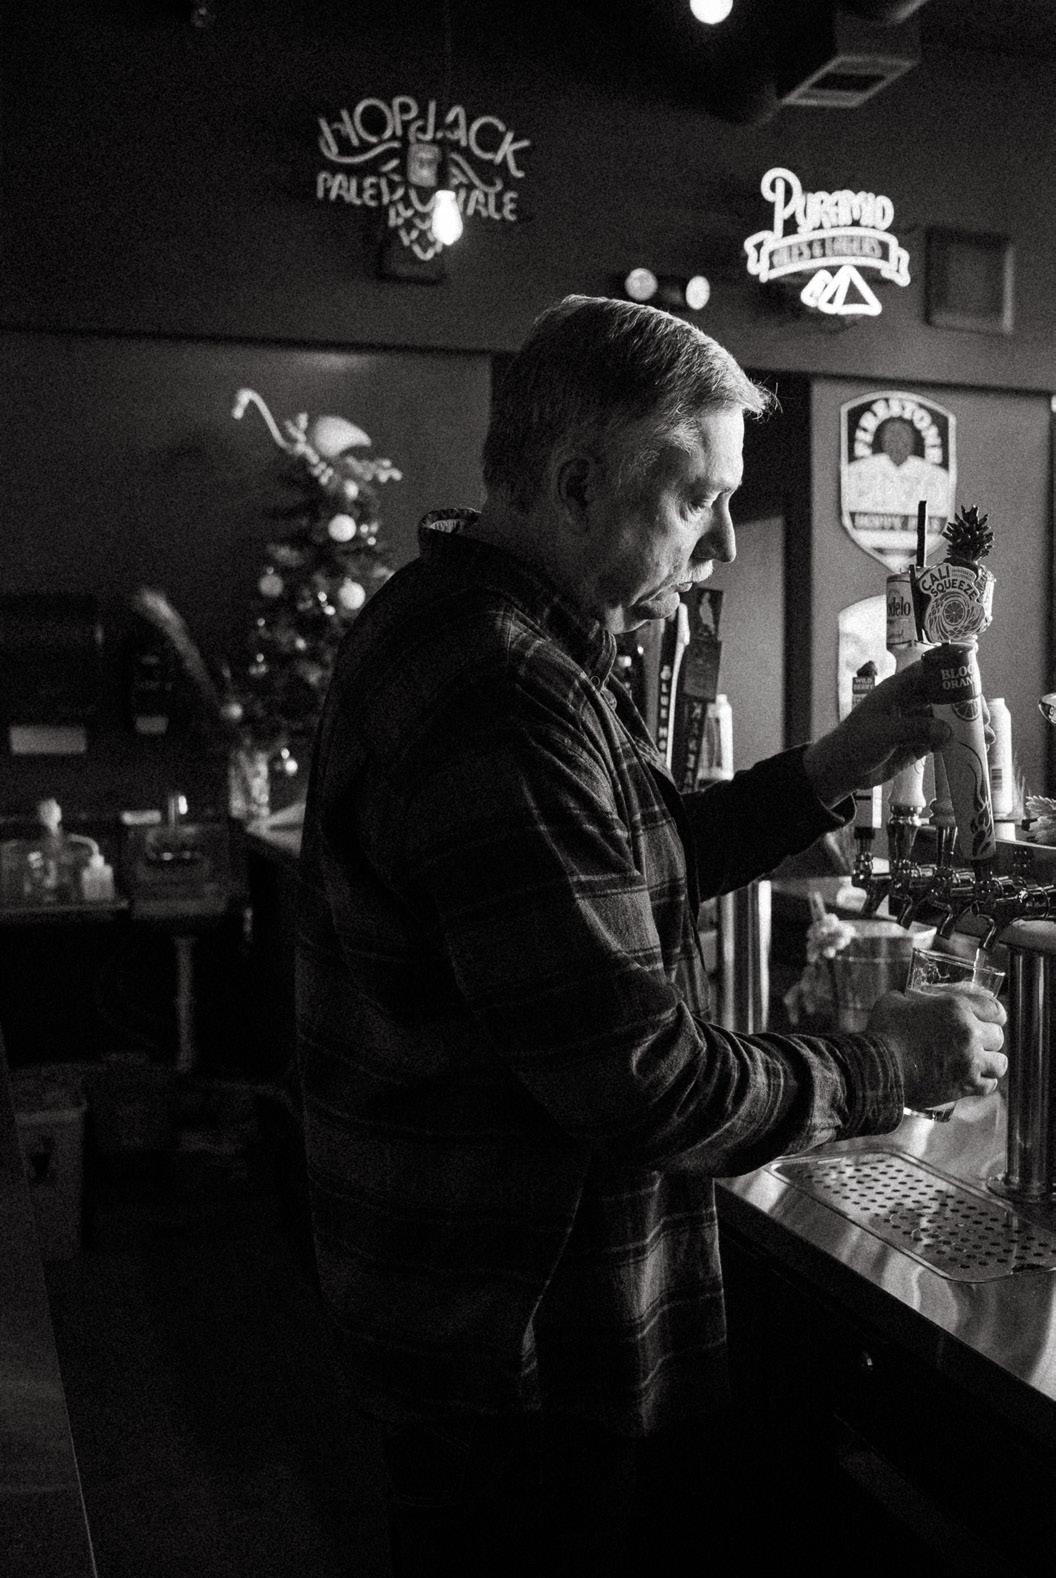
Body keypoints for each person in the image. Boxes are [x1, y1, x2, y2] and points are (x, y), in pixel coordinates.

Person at [295, 296, 1006, 1576]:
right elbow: (644, 1082)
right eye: (698, 500)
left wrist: (840, 762)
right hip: (513, 1337)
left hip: (465, 1305)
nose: (723, 541)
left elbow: (636, 850)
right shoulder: (506, 688)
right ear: (576, 484)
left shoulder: (489, 629)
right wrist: (885, 1063)